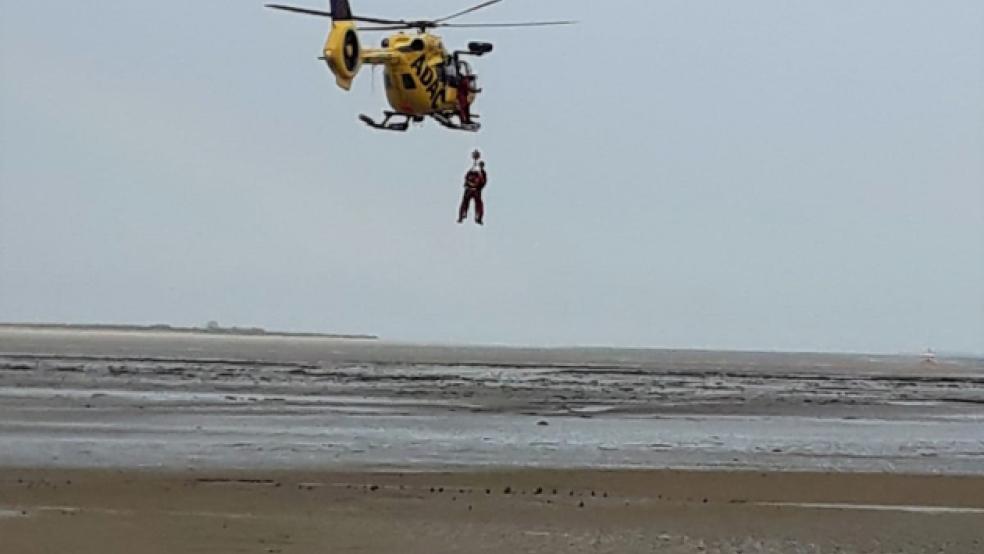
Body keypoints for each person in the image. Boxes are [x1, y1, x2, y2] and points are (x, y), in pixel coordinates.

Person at [458, 153, 488, 225]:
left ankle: (478, 217)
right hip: (470, 190)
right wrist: (468, 184)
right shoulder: (472, 171)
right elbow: (466, 178)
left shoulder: (482, 173)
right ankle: (462, 215)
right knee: (465, 203)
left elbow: (483, 182)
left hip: (476, 190)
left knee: (478, 204)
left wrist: (478, 187)